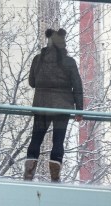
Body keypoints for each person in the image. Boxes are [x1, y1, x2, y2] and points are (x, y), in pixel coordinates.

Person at [24, 28, 83, 183]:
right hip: (61, 107)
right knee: (58, 140)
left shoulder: (37, 59)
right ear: (63, 44)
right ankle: (55, 174)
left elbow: (32, 82)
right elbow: (77, 86)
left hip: (41, 105)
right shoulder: (69, 62)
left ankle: (29, 172)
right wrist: (79, 110)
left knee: (36, 139)